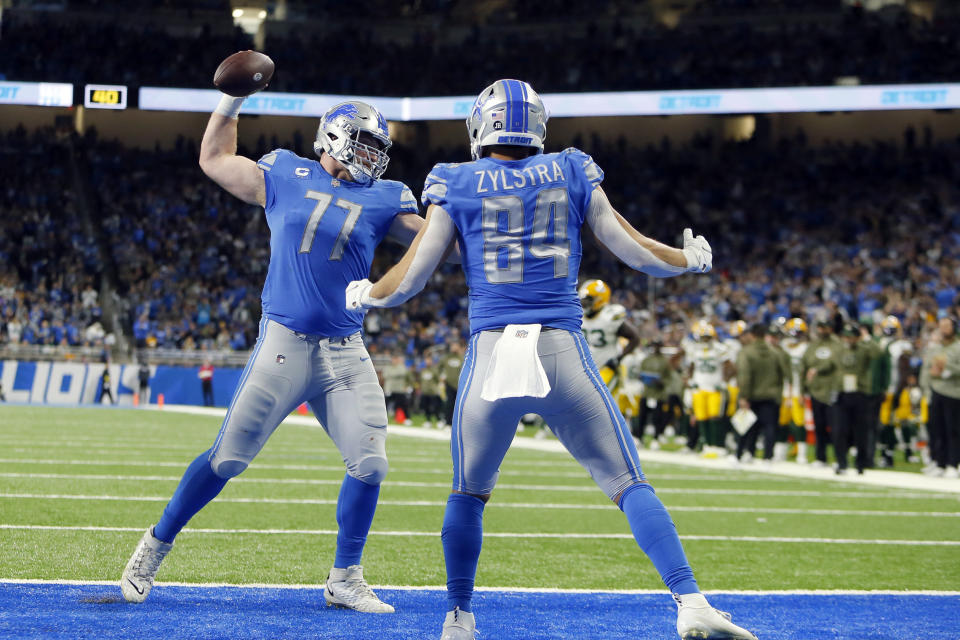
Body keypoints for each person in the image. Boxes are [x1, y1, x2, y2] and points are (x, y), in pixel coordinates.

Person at [345, 79, 757, 640]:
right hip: (561, 348)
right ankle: (690, 600)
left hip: (492, 352)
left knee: (468, 492)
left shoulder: (455, 180)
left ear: (481, 127)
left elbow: (410, 280)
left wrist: (368, 293)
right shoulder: (570, 168)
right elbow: (633, 249)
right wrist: (689, 258)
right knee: (629, 483)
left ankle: (459, 617)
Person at [119, 65, 431, 613]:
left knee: (371, 463)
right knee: (227, 459)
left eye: (377, 148)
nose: (372, 156)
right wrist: (231, 101)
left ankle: (345, 577)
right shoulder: (285, 172)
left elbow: (437, 243)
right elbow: (214, 160)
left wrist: (464, 210)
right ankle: (154, 544)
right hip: (284, 343)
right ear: (332, 137)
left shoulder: (387, 196)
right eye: (363, 144)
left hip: (344, 351)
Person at [735, 323, 787, 464]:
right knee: (770, 427)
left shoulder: (746, 352)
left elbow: (745, 376)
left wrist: (744, 396)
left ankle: (746, 453)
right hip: (771, 394)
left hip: (752, 395)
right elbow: (783, 374)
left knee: (749, 426)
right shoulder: (776, 352)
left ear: (751, 335)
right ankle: (768, 456)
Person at [579, 279, 640, 389]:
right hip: (583, 369)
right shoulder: (579, 316)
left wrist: (618, 358)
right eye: (583, 300)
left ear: (600, 300)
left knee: (597, 400)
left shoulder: (609, 316)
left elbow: (634, 337)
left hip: (605, 367)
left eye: (588, 300)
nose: (584, 303)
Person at [920, 316, 960, 478]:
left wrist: (946, 367)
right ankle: (939, 462)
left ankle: (953, 463)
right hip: (936, 391)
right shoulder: (935, 349)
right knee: (937, 429)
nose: (944, 329)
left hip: (954, 393)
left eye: (947, 326)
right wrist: (927, 386)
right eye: (941, 326)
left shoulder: (958, 348)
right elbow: (927, 369)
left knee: (953, 430)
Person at [801, 320, 841, 467]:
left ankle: (838, 457)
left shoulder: (837, 344)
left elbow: (835, 361)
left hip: (832, 390)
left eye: (824, 327)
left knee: (836, 427)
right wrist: (803, 389)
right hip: (815, 391)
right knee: (819, 426)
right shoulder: (813, 346)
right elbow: (804, 366)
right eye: (819, 327)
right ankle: (820, 457)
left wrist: (818, 369)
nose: (822, 330)